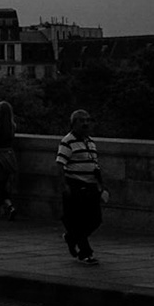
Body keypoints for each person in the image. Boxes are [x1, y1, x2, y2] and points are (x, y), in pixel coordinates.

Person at [56, 108, 105, 263]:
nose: (85, 123)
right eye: (81, 121)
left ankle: (72, 237)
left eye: (87, 120)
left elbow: (94, 165)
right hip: (76, 185)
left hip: (91, 186)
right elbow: (60, 164)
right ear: (73, 123)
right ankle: (85, 252)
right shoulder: (68, 141)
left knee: (95, 219)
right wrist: (64, 186)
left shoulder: (90, 142)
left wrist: (101, 186)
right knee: (78, 219)